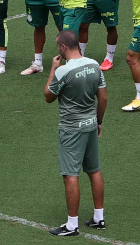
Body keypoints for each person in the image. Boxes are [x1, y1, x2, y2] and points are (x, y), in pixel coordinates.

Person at [43, 30, 107, 236]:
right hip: (90, 124)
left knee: (70, 175)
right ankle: (99, 217)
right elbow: (103, 98)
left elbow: (48, 96)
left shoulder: (63, 71)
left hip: (71, 129)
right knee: (94, 170)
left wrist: (53, 69)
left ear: (63, 48)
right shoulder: (95, 65)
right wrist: (98, 122)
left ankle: (72, 225)